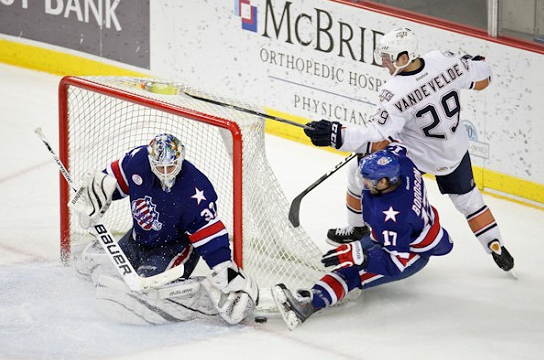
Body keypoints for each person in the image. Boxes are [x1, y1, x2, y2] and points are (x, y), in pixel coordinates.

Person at [303, 27, 514, 272]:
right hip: (454, 151)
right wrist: (471, 63)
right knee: (469, 201)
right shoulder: (444, 60)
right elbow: (483, 79)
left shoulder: (394, 92)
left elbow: (374, 138)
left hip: (414, 157)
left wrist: (336, 135)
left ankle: (358, 228)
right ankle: (494, 243)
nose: (384, 63)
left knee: (357, 171)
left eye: (388, 57)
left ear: (404, 57)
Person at [70, 133, 258, 325]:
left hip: (173, 249)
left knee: (146, 288)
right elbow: (111, 181)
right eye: (161, 166)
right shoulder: (138, 161)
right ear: (151, 161)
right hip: (138, 239)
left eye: (171, 165)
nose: (166, 172)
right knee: (100, 270)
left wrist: (224, 269)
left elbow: (209, 233)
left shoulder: (195, 188)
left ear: (181, 158)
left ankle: (205, 294)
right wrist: (94, 196)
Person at [273, 143, 453, 330]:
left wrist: (362, 257)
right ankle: (317, 292)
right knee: (347, 260)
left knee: (351, 271)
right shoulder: (402, 163)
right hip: (407, 233)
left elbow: (396, 263)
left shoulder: (392, 216)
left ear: (384, 182)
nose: (364, 182)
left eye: (369, 179)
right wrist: (364, 143)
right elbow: (395, 145)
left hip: (410, 253)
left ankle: (307, 306)